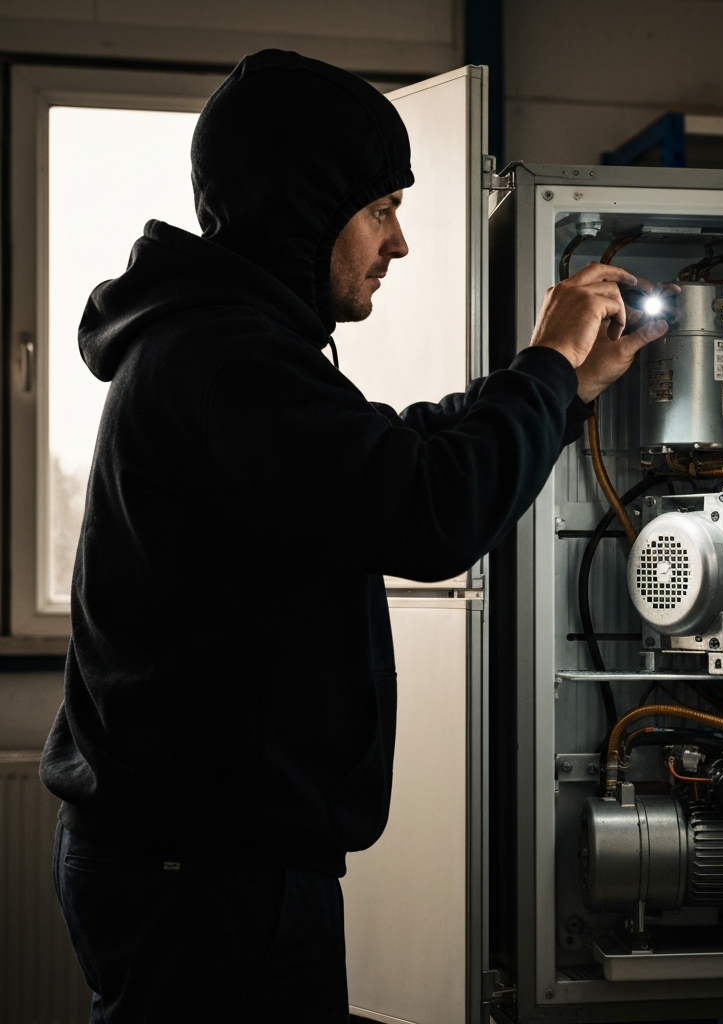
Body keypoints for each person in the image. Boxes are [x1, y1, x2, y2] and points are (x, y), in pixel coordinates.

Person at [39, 49, 669, 1023]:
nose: (400, 242)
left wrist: (566, 390)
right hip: (210, 880)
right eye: (381, 210)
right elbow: (426, 510)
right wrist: (543, 364)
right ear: (304, 207)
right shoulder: (224, 358)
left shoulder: (221, 343)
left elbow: (392, 455)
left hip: (204, 866)